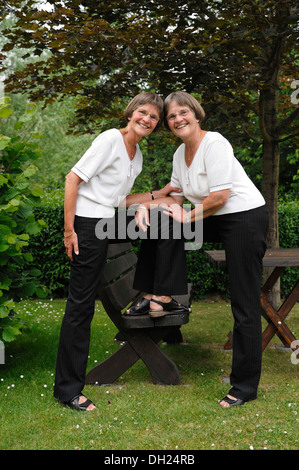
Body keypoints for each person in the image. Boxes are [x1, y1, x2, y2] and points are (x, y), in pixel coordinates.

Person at [54, 92, 188, 411]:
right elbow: (73, 179)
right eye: (143, 112)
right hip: (87, 225)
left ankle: (157, 294)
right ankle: (68, 389)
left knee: (165, 218)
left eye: (154, 118)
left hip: (106, 221)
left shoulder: (136, 155)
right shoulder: (109, 141)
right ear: (131, 113)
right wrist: (69, 231)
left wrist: (158, 195)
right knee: (81, 305)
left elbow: (120, 201)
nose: (147, 119)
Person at [139, 91, 269, 408]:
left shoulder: (215, 144)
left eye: (183, 112)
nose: (177, 119)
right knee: (162, 222)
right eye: (171, 116)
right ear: (168, 124)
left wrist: (188, 216)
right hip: (212, 216)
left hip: (244, 218)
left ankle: (244, 387)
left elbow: (220, 196)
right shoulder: (179, 155)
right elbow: (175, 200)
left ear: (196, 114)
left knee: (244, 300)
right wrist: (148, 206)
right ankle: (159, 295)